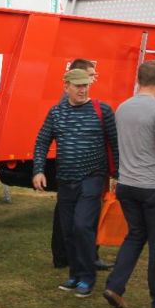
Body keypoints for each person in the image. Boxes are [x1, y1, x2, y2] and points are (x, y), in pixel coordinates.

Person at [102, 61, 155, 308]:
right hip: (153, 186)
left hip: (127, 183)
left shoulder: (123, 108)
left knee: (135, 236)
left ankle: (115, 286)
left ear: (138, 79)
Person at [33, 69, 118, 298]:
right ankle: (75, 274)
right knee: (69, 229)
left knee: (83, 226)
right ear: (66, 86)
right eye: (78, 85)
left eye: (86, 85)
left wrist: (118, 175)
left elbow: (115, 143)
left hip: (92, 178)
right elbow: (42, 142)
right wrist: (39, 170)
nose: (83, 89)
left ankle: (87, 277)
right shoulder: (56, 113)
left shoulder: (103, 110)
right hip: (65, 180)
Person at [51, 58, 112, 271]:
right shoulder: (69, 104)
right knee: (80, 217)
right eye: (91, 75)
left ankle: (64, 256)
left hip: (74, 171)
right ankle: (85, 258)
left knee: (69, 216)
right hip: (78, 171)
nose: (94, 79)